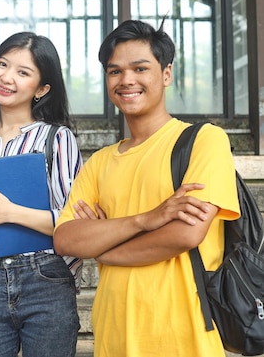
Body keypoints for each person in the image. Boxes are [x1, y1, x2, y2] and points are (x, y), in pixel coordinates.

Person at [53, 19, 241, 357]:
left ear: (166, 74)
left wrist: (104, 247)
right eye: (115, 72)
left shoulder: (204, 140)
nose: (127, 80)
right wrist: (147, 219)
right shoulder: (99, 162)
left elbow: (185, 234)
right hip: (115, 335)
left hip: (184, 337)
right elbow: (66, 239)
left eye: (140, 68)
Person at [0, 31, 83, 357]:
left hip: (46, 280)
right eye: (2, 64)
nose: (7, 77)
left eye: (23, 72)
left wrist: (9, 212)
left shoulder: (56, 139)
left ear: (42, 89)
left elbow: (75, 224)